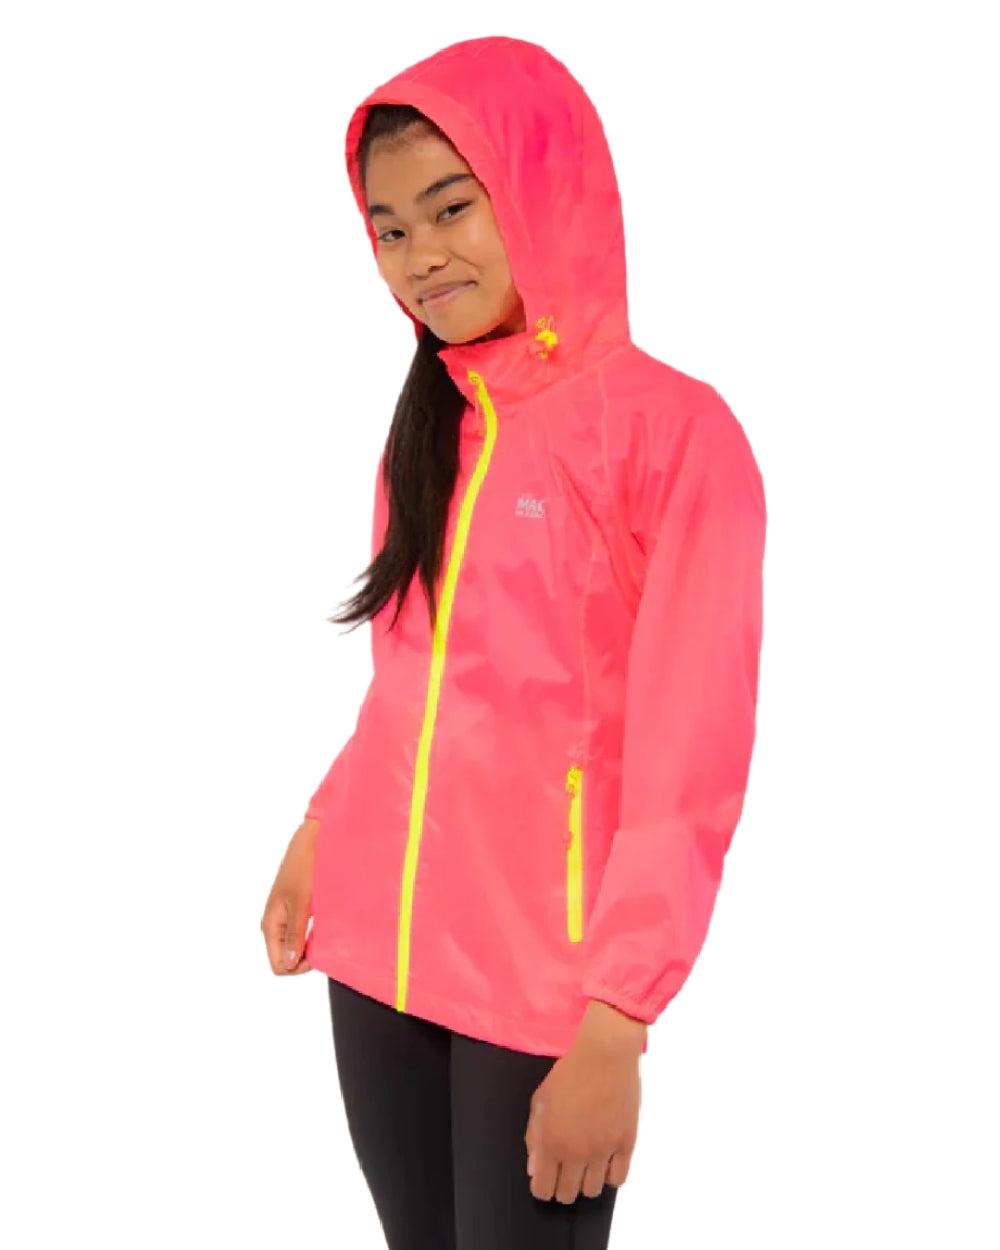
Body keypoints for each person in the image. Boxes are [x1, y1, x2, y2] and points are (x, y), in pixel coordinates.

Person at [260, 34, 767, 1250]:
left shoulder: (675, 434)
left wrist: (617, 1016)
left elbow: (690, 762)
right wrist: (322, 827)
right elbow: (412, 680)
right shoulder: (433, 425)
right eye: (389, 228)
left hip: (545, 983)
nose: (421, 256)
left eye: (451, 207)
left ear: (543, 189)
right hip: (378, 949)